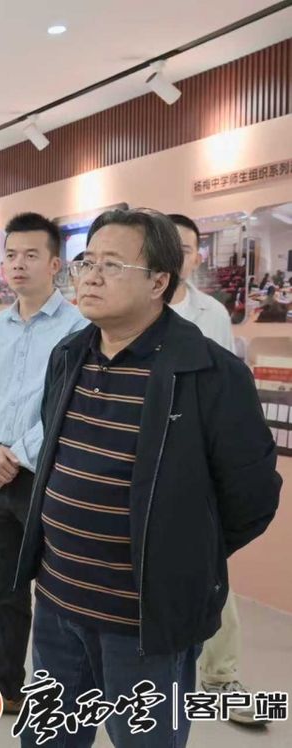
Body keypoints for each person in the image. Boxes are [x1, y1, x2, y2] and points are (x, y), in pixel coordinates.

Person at [14, 209, 281, 747]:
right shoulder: (69, 355)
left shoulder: (211, 373)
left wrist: (179, 555)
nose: (90, 277)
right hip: (59, 601)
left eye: (112, 265)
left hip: (144, 621)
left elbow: (251, 498)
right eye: (87, 262)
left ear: (159, 282)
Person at [0, 212, 88, 714]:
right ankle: (9, 689)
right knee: (6, 593)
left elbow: (68, 407)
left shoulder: (79, 328)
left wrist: (13, 455)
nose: (18, 264)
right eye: (11, 255)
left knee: (59, 597)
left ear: (55, 264)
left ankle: (62, 693)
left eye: (31, 255)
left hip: (51, 480)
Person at [168, 214, 262, 723]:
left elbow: (225, 391)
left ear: (197, 256)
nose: (176, 255)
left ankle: (221, 677)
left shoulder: (213, 313)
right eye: (167, 245)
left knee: (210, 571)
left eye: (185, 248)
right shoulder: (130, 309)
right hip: (139, 464)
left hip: (196, 463)